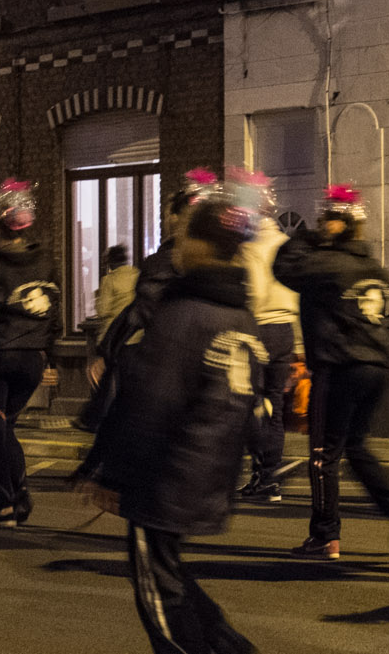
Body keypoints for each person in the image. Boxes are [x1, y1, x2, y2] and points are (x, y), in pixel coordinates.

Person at [79, 171, 270, 654]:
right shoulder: (240, 314)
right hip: (210, 475)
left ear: (204, 246)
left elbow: (149, 401)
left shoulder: (183, 315)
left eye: (184, 235)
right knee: (172, 575)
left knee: (158, 597)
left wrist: (110, 473)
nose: (176, 245)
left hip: (164, 475)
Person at [275, 184, 389, 560]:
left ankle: (325, 536)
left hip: (339, 364)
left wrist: (310, 236)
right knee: (356, 446)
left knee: (322, 451)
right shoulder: (373, 268)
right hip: (376, 366)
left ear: (338, 225)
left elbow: (284, 267)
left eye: (325, 218)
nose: (319, 223)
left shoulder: (328, 265)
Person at [78, 171, 215, 433]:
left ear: (176, 218)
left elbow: (142, 312)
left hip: (167, 373)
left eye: (167, 215)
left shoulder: (162, 263)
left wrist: (107, 351)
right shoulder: (227, 265)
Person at [0, 179, 60, 527]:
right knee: (7, 427)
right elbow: (55, 312)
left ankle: (6, 505)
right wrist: (47, 354)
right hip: (33, 359)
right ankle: (19, 499)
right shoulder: (47, 262)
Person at [237, 184, 301, 504]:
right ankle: (270, 476)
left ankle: (259, 471)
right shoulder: (286, 244)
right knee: (275, 406)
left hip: (257, 330)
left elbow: (251, 294)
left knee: (252, 402)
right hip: (285, 330)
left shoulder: (248, 248)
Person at [94, 244, 138, 341]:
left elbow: (103, 310)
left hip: (115, 335)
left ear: (111, 262)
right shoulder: (137, 275)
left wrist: (97, 298)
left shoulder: (109, 280)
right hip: (136, 334)